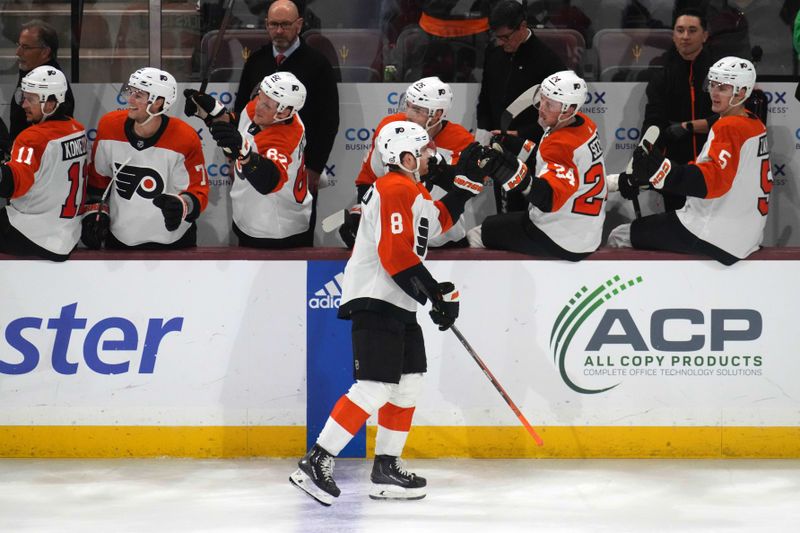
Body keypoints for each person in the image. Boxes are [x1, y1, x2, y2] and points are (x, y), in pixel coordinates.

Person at [289, 121, 485, 506]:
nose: (433, 156)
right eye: (426, 151)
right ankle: (317, 460)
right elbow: (395, 254)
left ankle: (386, 469)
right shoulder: (393, 187)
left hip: (400, 302)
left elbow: (438, 221)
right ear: (407, 158)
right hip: (377, 298)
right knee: (375, 386)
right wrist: (435, 292)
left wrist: (464, 185)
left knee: (409, 382)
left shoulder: (414, 193)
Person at [607, 57, 771, 266]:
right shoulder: (754, 124)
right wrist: (645, 179)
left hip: (713, 232)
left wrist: (663, 172)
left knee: (620, 235)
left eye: (722, 87)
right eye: (712, 84)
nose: (714, 92)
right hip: (748, 234)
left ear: (741, 92)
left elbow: (713, 182)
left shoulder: (729, 128)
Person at [468, 70, 607, 262]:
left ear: (568, 109)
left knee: (479, 233)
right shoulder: (585, 125)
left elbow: (549, 199)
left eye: (549, 104)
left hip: (559, 237)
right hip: (587, 230)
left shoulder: (560, 145)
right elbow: (552, 162)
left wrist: (511, 174)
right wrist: (515, 145)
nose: (541, 108)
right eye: (542, 99)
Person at [338, 76, 481, 249]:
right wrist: (362, 214)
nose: (408, 115)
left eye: (418, 110)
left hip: (443, 238)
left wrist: (440, 171)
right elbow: (369, 177)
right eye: (408, 106)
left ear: (437, 114)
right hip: (397, 235)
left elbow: (465, 189)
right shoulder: (390, 128)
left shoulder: (463, 142)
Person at [81, 67, 209, 250]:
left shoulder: (185, 137)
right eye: (130, 91)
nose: (130, 100)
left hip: (173, 239)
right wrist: (93, 213)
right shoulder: (109, 126)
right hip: (121, 237)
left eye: (138, 95)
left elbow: (199, 189)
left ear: (158, 102)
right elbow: (99, 180)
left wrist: (182, 206)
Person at [186, 71, 312, 248]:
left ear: (285, 113)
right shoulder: (263, 109)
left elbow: (269, 181)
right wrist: (214, 114)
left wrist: (244, 153)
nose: (258, 106)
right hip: (251, 217)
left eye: (267, 105)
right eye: (260, 96)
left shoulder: (284, 139)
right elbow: (242, 128)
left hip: (275, 229)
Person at [233, 0, 339, 199]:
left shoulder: (318, 64)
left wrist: (315, 167)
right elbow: (241, 109)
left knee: (297, 222)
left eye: (286, 25)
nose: (279, 30)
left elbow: (328, 121)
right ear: (266, 25)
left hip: (299, 164)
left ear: (299, 25)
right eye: (274, 24)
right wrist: (234, 156)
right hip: (254, 162)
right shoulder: (256, 61)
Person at [476, 0, 565, 213]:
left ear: (523, 27)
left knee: (529, 213)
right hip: (500, 146)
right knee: (504, 210)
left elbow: (560, 114)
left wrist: (522, 133)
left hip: (533, 150)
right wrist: (482, 130)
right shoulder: (494, 52)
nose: (501, 42)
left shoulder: (548, 61)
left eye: (506, 37)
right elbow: (486, 95)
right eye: (496, 37)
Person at [0, 66, 86, 261]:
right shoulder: (77, 129)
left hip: (31, 233)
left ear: (51, 104)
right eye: (24, 96)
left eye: (30, 99)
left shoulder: (32, 138)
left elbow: (12, 185)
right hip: (66, 233)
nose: (23, 104)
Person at [643, 8, 715, 211]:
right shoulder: (661, 72)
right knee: (675, 232)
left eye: (692, 30)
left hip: (715, 165)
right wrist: (644, 156)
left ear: (705, 35)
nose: (685, 36)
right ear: (673, 35)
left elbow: (734, 119)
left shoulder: (722, 70)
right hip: (675, 169)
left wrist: (689, 126)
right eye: (680, 30)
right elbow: (653, 121)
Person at [10, 20, 75, 143]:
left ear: (45, 52)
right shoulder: (30, 70)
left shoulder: (54, 85)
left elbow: (56, 136)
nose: (18, 52)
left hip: (36, 157)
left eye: (26, 47)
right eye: (18, 45)